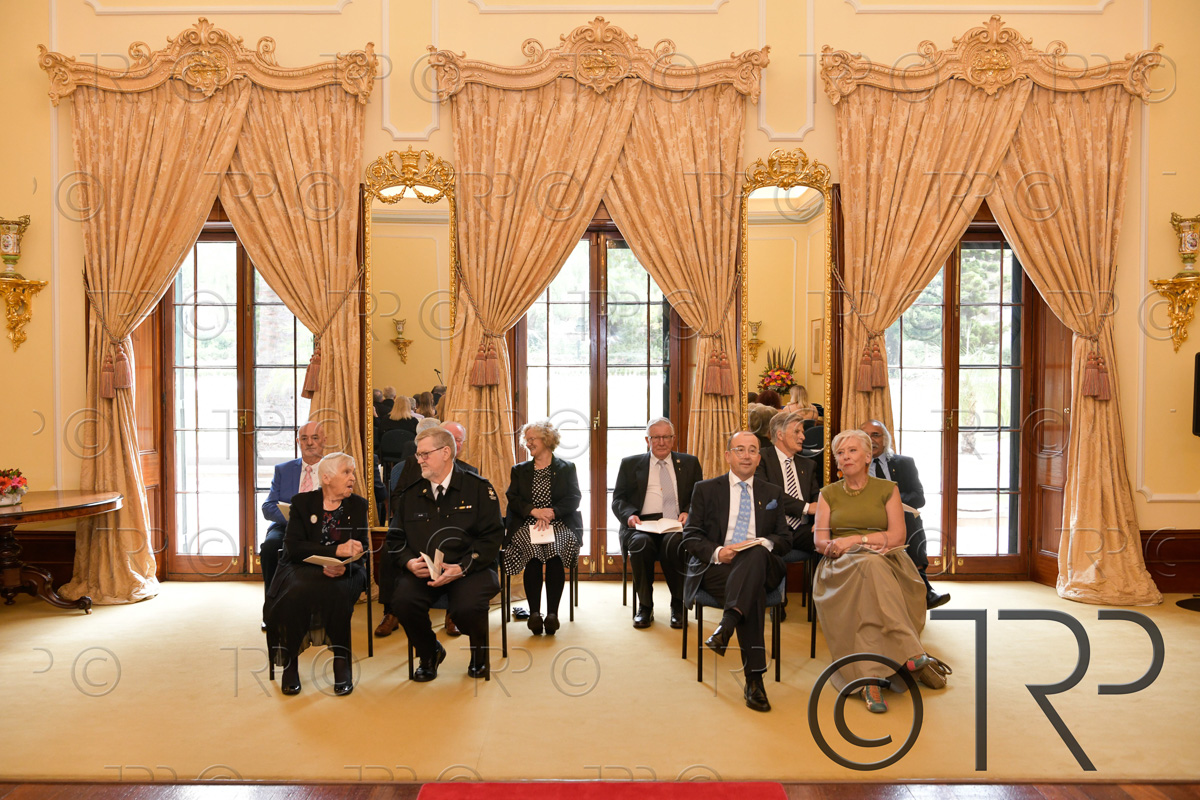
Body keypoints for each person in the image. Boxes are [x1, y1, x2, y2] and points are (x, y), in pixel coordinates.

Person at [813, 429, 946, 714]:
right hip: (841, 566)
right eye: (840, 453)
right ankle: (912, 653)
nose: (845, 457)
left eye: (852, 451)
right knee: (870, 567)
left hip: (887, 560)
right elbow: (820, 542)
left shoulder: (888, 489)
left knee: (872, 577)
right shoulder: (828, 494)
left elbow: (897, 537)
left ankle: (869, 681)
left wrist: (856, 540)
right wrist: (842, 546)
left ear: (867, 457)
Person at [682, 431, 791, 713]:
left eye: (752, 450)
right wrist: (719, 552)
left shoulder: (772, 492)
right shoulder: (706, 489)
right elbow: (691, 536)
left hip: (762, 564)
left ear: (759, 459)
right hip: (719, 567)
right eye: (740, 449)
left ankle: (727, 624)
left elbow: (785, 539)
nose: (746, 455)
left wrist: (762, 543)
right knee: (750, 593)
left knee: (755, 554)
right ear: (728, 456)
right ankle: (754, 681)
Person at [386, 427, 503, 681]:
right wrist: (408, 562)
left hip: (469, 569)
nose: (419, 460)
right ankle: (429, 653)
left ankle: (479, 654)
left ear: (446, 452)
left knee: (468, 607)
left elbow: (492, 537)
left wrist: (462, 567)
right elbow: (395, 538)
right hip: (425, 571)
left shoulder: (478, 488)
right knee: (403, 601)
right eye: (418, 455)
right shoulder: (411, 494)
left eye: (425, 454)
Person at [263, 452, 368, 697]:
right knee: (295, 592)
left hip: (345, 571)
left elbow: (362, 548)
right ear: (327, 478)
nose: (352, 477)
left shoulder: (358, 505)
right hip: (301, 567)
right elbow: (293, 548)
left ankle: (341, 662)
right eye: (346, 472)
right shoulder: (302, 503)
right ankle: (290, 664)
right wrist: (333, 551)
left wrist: (346, 564)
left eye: (352, 472)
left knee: (337, 591)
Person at [611, 417, 703, 629]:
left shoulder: (690, 463)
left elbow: (699, 497)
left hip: (675, 523)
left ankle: (678, 605)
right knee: (640, 544)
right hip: (642, 523)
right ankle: (645, 606)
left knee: (675, 543)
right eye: (656, 438)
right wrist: (630, 516)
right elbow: (618, 499)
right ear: (647, 440)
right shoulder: (630, 464)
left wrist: (687, 512)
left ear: (673, 439)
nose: (661, 442)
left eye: (666, 437)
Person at [860, 419, 950, 610]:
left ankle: (923, 585)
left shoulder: (904, 463)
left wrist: (891, 501)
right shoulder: (855, 464)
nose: (871, 440)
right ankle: (923, 588)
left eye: (876, 435)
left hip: (900, 517)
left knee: (909, 518)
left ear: (885, 439)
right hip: (868, 518)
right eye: (865, 435)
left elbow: (919, 498)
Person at [503, 420, 582, 636]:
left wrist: (552, 512)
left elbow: (574, 498)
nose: (528, 444)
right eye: (526, 440)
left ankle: (552, 615)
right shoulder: (519, 470)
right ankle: (535, 614)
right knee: (533, 554)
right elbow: (513, 498)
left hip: (559, 522)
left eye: (532, 439)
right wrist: (533, 511)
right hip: (528, 522)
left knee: (555, 552)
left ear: (547, 440)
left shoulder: (566, 468)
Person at [261, 421, 325, 600]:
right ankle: (273, 603)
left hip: (321, 529)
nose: (309, 443)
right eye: (304, 438)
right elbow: (268, 507)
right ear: (298, 442)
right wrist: (293, 518)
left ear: (324, 440)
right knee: (269, 548)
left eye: (314, 438)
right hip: (286, 527)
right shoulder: (283, 470)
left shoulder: (333, 469)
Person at [755, 411, 821, 554]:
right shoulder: (762, 459)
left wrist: (820, 520)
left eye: (802, 432)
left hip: (803, 529)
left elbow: (816, 495)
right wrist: (806, 507)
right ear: (780, 435)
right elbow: (769, 495)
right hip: (775, 530)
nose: (803, 437)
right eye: (797, 431)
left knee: (828, 539)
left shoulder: (808, 465)